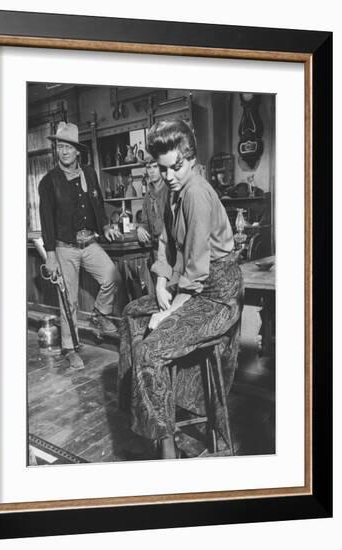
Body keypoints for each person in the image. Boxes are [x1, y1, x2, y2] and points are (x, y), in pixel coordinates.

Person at [118, 119, 243, 458]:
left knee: (150, 350)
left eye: (177, 167)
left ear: (192, 159)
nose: (170, 175)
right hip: (191, 286)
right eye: (164, 168)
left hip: (218, 294)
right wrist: (159, 281)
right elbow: (164, 241)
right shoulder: (171, 191)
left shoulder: (197, 194)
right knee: (131, 314)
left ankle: (166, 443)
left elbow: (198, 272)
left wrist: (169, 312)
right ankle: (143, 413)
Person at [39, 122, 121, 370]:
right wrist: (50, 255)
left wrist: (105, 226)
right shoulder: (48, 181)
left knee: (112, 276)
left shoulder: (89, 173)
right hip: (64, 247)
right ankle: (70, 348)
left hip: (89, 242)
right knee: (68, 300)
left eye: (68, 147)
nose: (63, 152)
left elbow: (97, 202)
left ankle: (100, 314)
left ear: (77, 151)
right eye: (60, 147)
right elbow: (46, 221)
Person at [136, 154, 169, 264]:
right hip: (155, 249)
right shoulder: (147, 196)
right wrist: (140, 228)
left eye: (155, 167)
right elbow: (145, 222)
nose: (152, 171)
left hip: (171, 248)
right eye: (149, 168)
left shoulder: (169, 190)